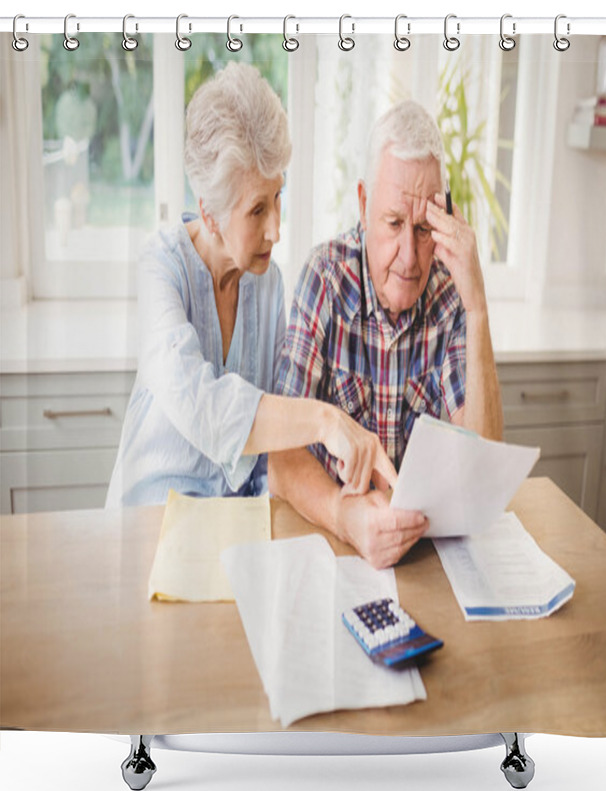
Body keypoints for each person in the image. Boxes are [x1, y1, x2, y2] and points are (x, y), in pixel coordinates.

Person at [106, 63, 395, 508]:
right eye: (258, 210)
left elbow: (275, 432)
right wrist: (324, 421)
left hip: (234, 522)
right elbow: (203, 408)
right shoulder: (159, 268)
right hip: (151, 518)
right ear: (209, 214)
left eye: (278, 197)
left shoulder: (268, 283)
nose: (276, 230)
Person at [269, 100, 503, 569]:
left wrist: (477, 309)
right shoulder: (326, 276)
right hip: (332, 548)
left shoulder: (450, 294)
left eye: (423, 230)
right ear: (363, 203)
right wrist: (344, 515)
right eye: (394, 223)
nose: (411, 257)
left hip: (429, 559)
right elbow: (280, 456)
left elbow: (483, 463)